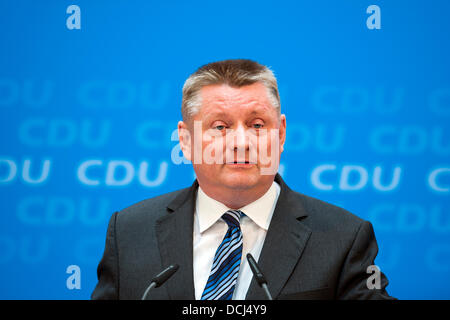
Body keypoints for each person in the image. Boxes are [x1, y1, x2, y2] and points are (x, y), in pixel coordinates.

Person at [91, 59, 395, 300]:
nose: (241, 142)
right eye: (220, 126)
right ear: (185, 140)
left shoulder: (343, 237)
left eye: (257, 125)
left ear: (281, 133)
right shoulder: (130, 232)